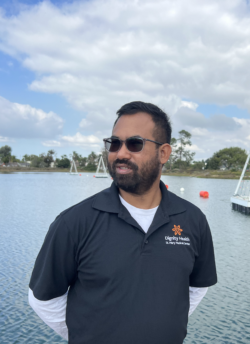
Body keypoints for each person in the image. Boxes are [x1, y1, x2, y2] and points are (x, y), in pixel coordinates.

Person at [28, 101, 217, 344]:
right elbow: (43, 299)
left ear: (164, 153)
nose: (121, 153)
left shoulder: (192, 220)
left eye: (135, 144)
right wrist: (88, 334)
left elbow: (197, 287)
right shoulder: (73, 223)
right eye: (114, 143)